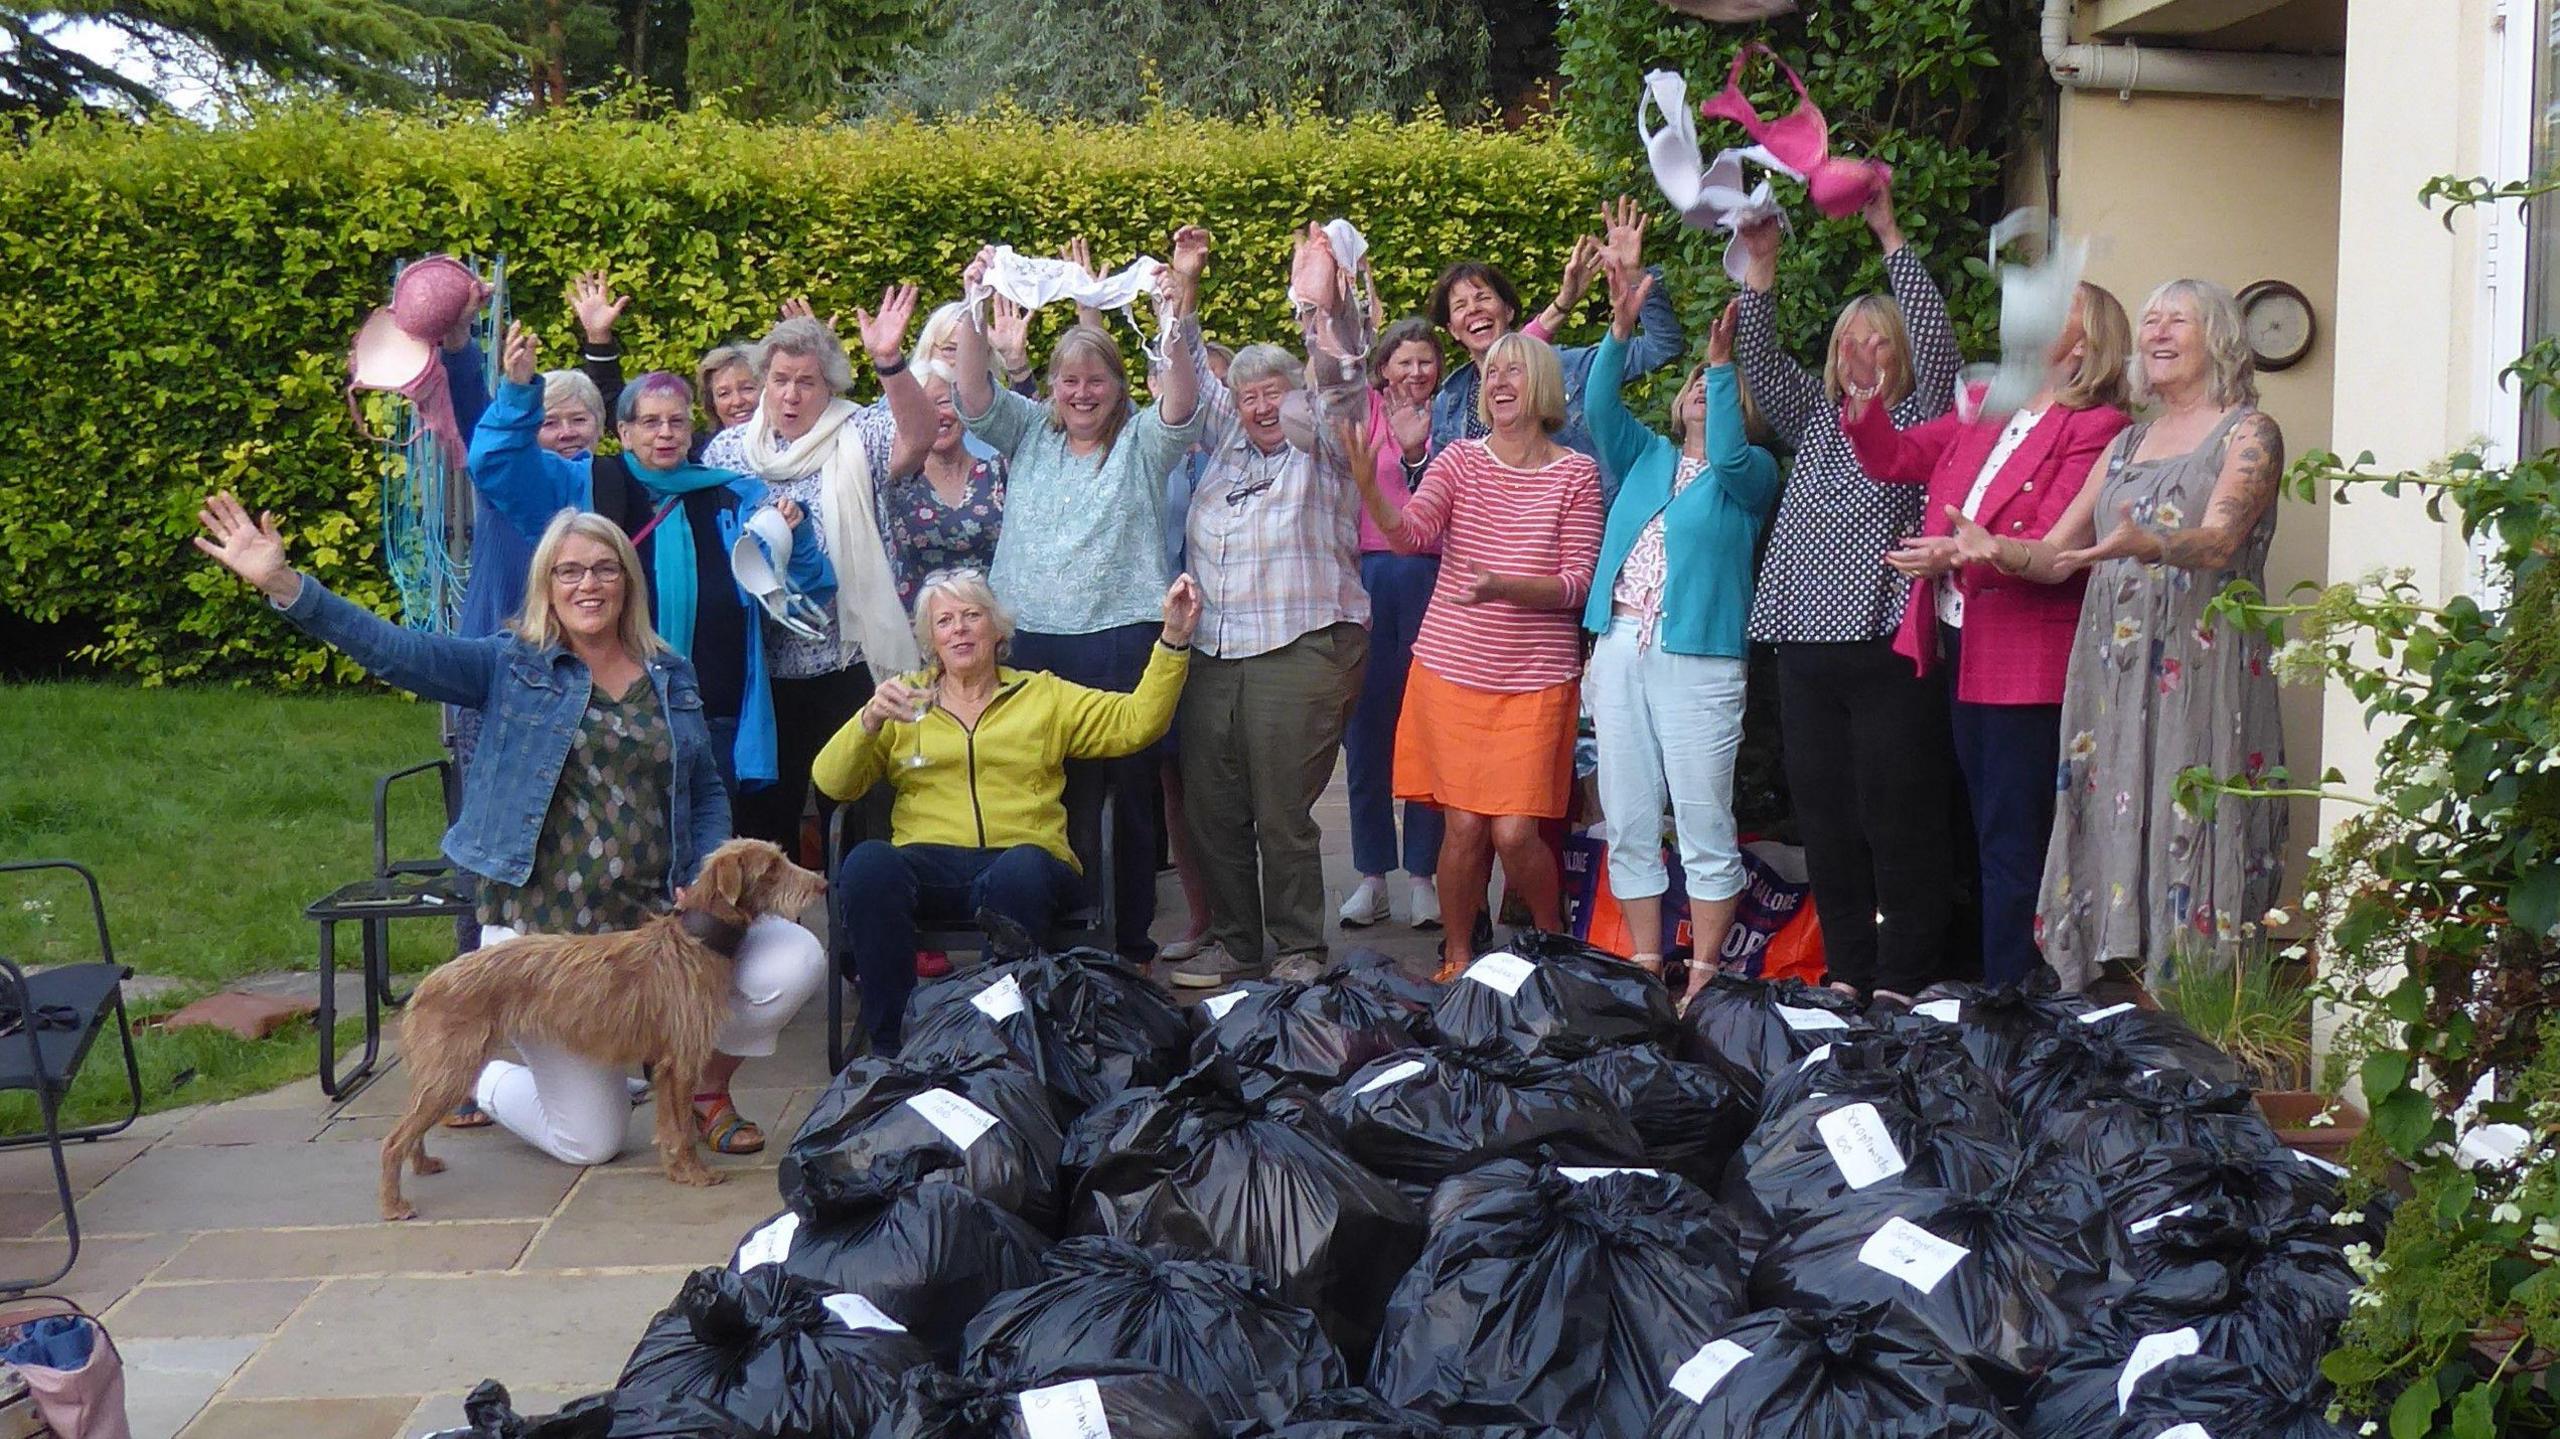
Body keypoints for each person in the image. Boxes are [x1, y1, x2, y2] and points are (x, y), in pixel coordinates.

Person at [194, 499, 825, 1159]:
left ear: (627, 582)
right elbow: (397, 654)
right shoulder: (510, 665)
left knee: (794, 960)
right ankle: (485, 1077)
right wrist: (288, 586)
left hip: (651, 932)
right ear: (546, 586)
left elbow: (702, 791)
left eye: (605, 569)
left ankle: (696, 1086)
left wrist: (702, 870)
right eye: (569, 571)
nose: (589, 584)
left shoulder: (669, 673)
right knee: (591, 1141)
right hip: (544, 939)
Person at [1945, 279, 2287, 990]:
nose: (2156, 333)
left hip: (2200, 662)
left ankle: (2196, 1002)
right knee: (2113, 812)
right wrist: (1991, 548)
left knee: (2191, 813)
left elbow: (2222, 539)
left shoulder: (2249, 431)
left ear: (2217, 335)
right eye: (2150, 319)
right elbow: (2059, 553)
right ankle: (2110, 997)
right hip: (2115, 668)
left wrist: (2151, 542)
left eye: (2176, 321)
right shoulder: (2129, 440)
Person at [1859, 282, 2134, 987]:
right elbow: (1896, 458)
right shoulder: (1993, 408)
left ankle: (2014, 998)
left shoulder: (2095, 426)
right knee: (1985, 831)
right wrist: (1864, 406)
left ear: (2084, 341)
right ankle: (2003, 989)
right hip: (1964, 645)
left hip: (2027, 656)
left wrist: (1956, 551)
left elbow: (2053, 544)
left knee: (2014, 840)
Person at [1732, 182, 1962, 1007]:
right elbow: (1757, 362)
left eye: (1878, 339)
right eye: (1850, 340)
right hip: (1802, 644)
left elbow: (1937, 344)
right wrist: (1761, 264)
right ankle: (1848, 971)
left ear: (1898, 354)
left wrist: (1891, 231)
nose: (1862, 351)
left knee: (1897, 813)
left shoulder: (1924, 416)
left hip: (1884, 642)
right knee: (1825, 817)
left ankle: (1903, 975)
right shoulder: (1817, 417)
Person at [948, 229, 1205, 962]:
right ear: (1052, 390)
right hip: (1030, 640)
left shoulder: (1143, 443)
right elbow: (971, 393)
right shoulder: (1028, 432)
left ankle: (1126, 941)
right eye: (1068, 381)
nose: (1082, 392)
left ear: (1122, 387)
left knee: (1126, 796)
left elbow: (1182, 400)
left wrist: (1173, 319)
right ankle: (1050, 930)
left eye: (1097, 380)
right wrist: (973, 303)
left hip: (1121, 638)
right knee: (1044, 789)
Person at [816, 571, 1202, 1056]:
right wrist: (867, 721)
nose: (959, 629)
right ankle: (894, 1043)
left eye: (972, 616)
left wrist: (1173, 641)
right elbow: (831, 782)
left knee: (1019, 871)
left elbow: (1137, 723)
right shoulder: (905, 700)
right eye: (945, 621)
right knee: (869, 864)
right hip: (928, 862)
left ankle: (992, 1036)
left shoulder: (1043, 695)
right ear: (931, 640)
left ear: (997, 631)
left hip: (1023, 860)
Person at [467, 323, 831, 799]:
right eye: (650, 422)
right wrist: (517, 393)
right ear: (624, 431)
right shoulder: (586, 485)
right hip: (610, 713)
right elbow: (495, 465)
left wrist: (795, 536)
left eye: (676, 422)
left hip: (714, 712)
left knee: (707, 849)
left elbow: (808, 592)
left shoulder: (732, 494)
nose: (665, 433)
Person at [1347, 331, 1605, 982]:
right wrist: (1369, 486)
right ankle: (1459, 956)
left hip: (1535, 678)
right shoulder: (1459, 460)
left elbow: (1577, 582)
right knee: (1462, 825)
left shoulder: (1576, 472)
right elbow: (1410, 535)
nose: (1498, 381)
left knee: (1516, 832)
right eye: (1491, 373)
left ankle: (1553, 946)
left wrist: (1502, 586)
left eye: (1513, 371)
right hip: (1451, 671)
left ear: (1543, 385)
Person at [1163, 225, 1373, 989]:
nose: (1257, 406)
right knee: (1212, 806)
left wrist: (1325, 311)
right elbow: (1189, 378)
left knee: (1282, 806)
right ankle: (1232, 939)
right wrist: (1185, 292)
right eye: (1247, 394)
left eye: (1271, 392)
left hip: (1300, 642)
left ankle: (1296, 945)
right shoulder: (1221, 444)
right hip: (1214, 650)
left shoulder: (1322, 442)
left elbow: (1343, 376)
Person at [1582, 275, 1780, 1007]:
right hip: (1620, 645)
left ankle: (1703, 972)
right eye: (1696, 378)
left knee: (1702, 814)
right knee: (1628, 811)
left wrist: (1725, 363)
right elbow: (1600, 406)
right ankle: (1643, 959)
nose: (1701, 384)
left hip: (1698, 660)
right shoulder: (1645, 457)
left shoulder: (1750, 474)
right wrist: (1622, 324)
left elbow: (1728, 455)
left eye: (1715, 381)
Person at [701, 294, 937, 859]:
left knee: (857, 812)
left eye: (806, 382)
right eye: (780, 379)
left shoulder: (859, 434)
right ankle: (770, 942)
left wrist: (890, 361)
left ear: (830, 387)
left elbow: (922, 433)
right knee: (764, 816)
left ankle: (858, 940)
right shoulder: (731, 450)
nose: (790, 394)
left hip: (848, 663)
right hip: (763, 670)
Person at [1426, 199, 1685, 475]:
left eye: (1483, 298)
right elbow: (1444, 485)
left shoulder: (1570, 367)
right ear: (1453, 329)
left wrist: (1634, 276)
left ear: (1509, 310)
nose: (1474, 309)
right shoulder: (1449, 402)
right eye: (1460, 306)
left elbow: (1661, 346)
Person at [1337, 317, 1447, 934]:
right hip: (1372, 578)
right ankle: (1371, 875)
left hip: (1436, 578)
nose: (1415, 373)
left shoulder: (1456, 413)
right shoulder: (1363, 413)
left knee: (1427, 726)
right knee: (1366, 728)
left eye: (1425, 362)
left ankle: (1423, 875)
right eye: (1403, 362)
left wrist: (1418, 452)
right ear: (1382, 369)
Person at [696, 343, 758, 445]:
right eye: (724, 394)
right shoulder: (704, 456)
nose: (737, 401)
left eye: (747, 388)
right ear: (712, 403)